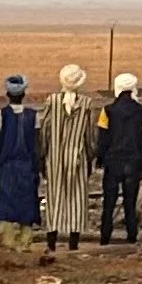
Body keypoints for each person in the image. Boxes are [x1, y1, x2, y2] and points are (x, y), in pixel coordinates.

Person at [39, 63, 96, 253]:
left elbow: (45, 131)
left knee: (54, 198)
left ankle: (51, 242)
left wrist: (43, 155)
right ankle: (73, 243)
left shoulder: (52, 101)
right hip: (77, 158)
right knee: (76, 199)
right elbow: (89, 136)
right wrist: (90, 156)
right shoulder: (87, 104)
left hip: (55, 158)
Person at [95, 72, 142, 245]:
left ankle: (105, 236)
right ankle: (132, 235)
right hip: (133, 161)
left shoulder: (107, 111)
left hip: (113, 161)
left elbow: (103, 138)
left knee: (109, 202)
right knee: (130, 202)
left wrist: (100, 159)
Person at [0, 74, 39, 247]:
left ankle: (7, 243)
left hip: (6, 167)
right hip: (27, 167)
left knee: (6, 205)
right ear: (23, 94)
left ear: (7, 94)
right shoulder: (33, 116)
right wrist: (37, 170)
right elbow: (36, 147)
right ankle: (25, 243)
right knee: (27, 204)